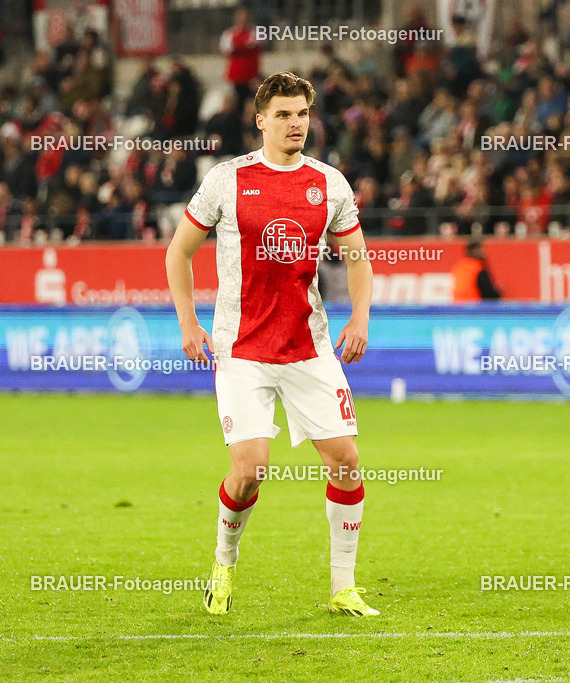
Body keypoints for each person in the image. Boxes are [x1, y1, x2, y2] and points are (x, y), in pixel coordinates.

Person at [165, 72, 378, 617]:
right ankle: (223, 562)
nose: (295, 124)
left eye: (302, 114)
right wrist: (189, 325)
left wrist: (360, 317)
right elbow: (178, 253)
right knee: (250, 468)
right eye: (283, 115)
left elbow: (358, 257)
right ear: (260, 120)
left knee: (347, 460)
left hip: (310, 349)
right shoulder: (226, 180)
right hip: (242, 352)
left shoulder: (330, 183)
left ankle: (343, 587)